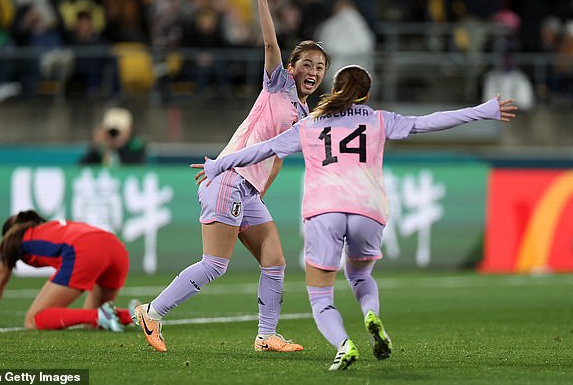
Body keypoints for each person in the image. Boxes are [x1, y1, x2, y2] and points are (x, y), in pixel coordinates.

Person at [193, 65, 517, 370]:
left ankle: (343, 345)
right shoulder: (379, 119)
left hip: (324, 211)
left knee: (321, 295)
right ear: (366, 94)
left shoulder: (310, 124)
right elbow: (428, 121)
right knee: (361, 277)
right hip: (369, 209)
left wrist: (216, 165)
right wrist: (484, 110)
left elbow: (263, 149)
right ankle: (371, 313)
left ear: (334, 89)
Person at [133, 0, 330, 353]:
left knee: (274, 259)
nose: (313, 72)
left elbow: (275, 159)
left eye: (320, 68)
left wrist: (257, 195)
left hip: (247, 188)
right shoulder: (279, 85)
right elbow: (271, 44)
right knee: (215, 264)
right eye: (307, 64)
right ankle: (152, 312)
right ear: (292, 68)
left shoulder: (303, 114)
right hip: (228, 177)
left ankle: (266, 335)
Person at [0, 210, 137, 331]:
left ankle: (102, 315)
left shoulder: (12, 241)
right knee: (92, 325)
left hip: (83, 249)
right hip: (115, 247)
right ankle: (132, 314)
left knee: (33, 320)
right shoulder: (49, 227)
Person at [79, 107, 146, 166]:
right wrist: (97, 147)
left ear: (129, 129)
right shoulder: (101, 148)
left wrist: (120, 146)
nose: (114, 134)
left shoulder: (136, 146)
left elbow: (135, 168)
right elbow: (81, 167)